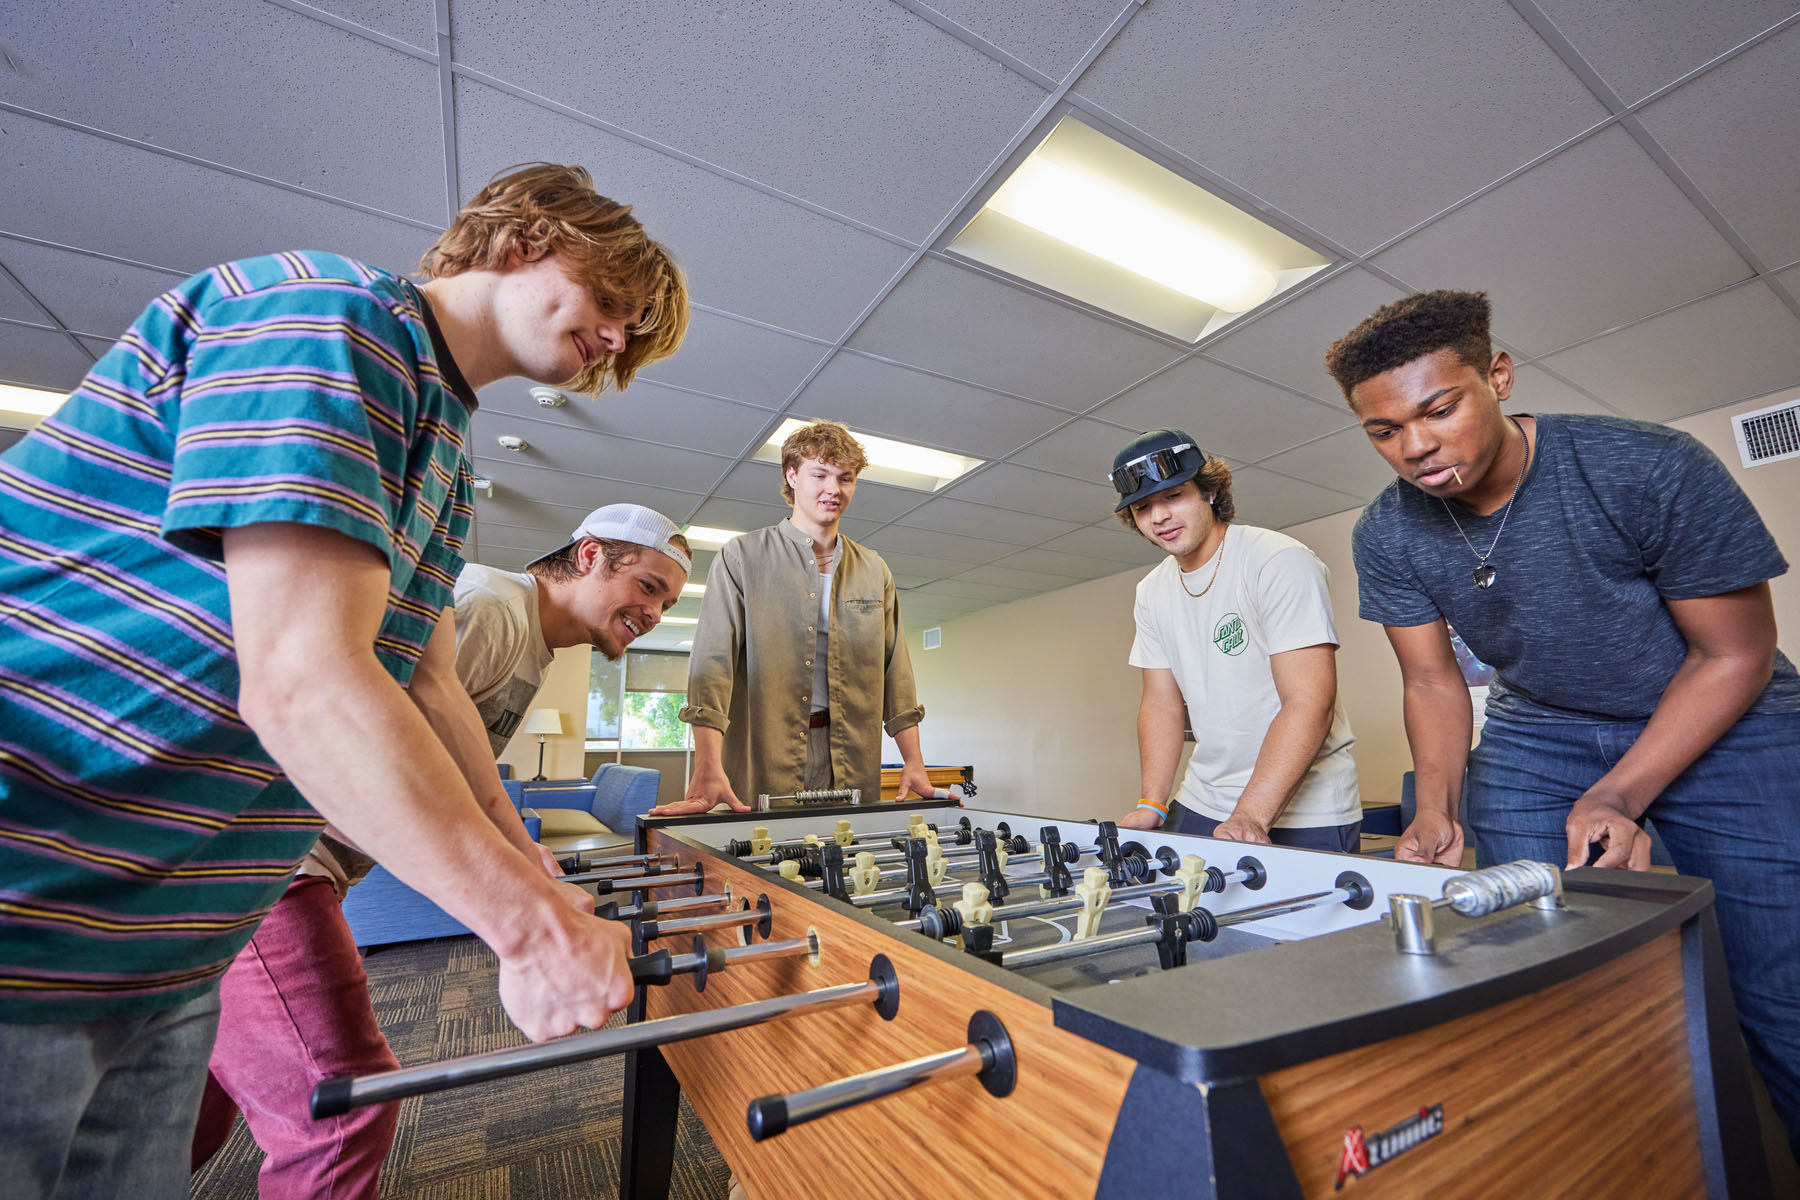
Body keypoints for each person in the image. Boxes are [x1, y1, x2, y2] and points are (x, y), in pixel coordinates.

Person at [0, 161, 687, 1197]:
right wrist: (528, 928)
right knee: (335, 1116)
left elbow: (426, 685)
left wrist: (522, 859)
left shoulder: (445, 454)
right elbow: (303, 677)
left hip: (172, 930)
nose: (617, 339)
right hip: (38, 877)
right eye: (611, 302)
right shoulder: (335, 316)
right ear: (523, 239)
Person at [1330, 288, 1800, 1155]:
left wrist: (1621, 792)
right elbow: (1432, 682)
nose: (1416, 446)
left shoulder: (1645, 466)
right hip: (1541, 727)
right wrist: (1436, 806)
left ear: (1498, 377)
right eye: (1385, 431)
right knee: (1535, 962)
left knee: (1779, 984)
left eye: (1439, 409)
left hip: (1731, 716)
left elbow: (1732, 654)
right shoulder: (1386, 534)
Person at [190, 505, 689, 1196]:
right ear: (589, 556)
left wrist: (529, 874)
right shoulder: (494, 609)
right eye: (650, 587)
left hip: (296, 869)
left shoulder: (525, 635)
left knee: (188, 1109)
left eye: (667, 602)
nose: (655, 612)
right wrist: (521, 922)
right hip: (271, 864)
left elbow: (463, 776)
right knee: (343, 1112)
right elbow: (364, 747)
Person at [661, 419, 933, 815]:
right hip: (764, 749)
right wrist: (707, 764)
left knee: (847, 862)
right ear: (792, 475)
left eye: (846, 478)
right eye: (819, 474)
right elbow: (712, 666)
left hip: (851, 753)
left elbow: (897, 672)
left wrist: (914, 760)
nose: (833, 489)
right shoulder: (741, 557)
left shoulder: (875, 570)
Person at [1107, 430, 1361, 848]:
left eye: (1173, 496)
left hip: (1308, 808)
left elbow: (1309, 700)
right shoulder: (1151, 592)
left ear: (1208, 492)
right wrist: (1153, 801)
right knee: (1185, 911)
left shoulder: (1277, 560)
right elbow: (1161, 702)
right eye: (1143, 507)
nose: (1159, 517)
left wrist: (1250, 815)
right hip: (1204, 798)